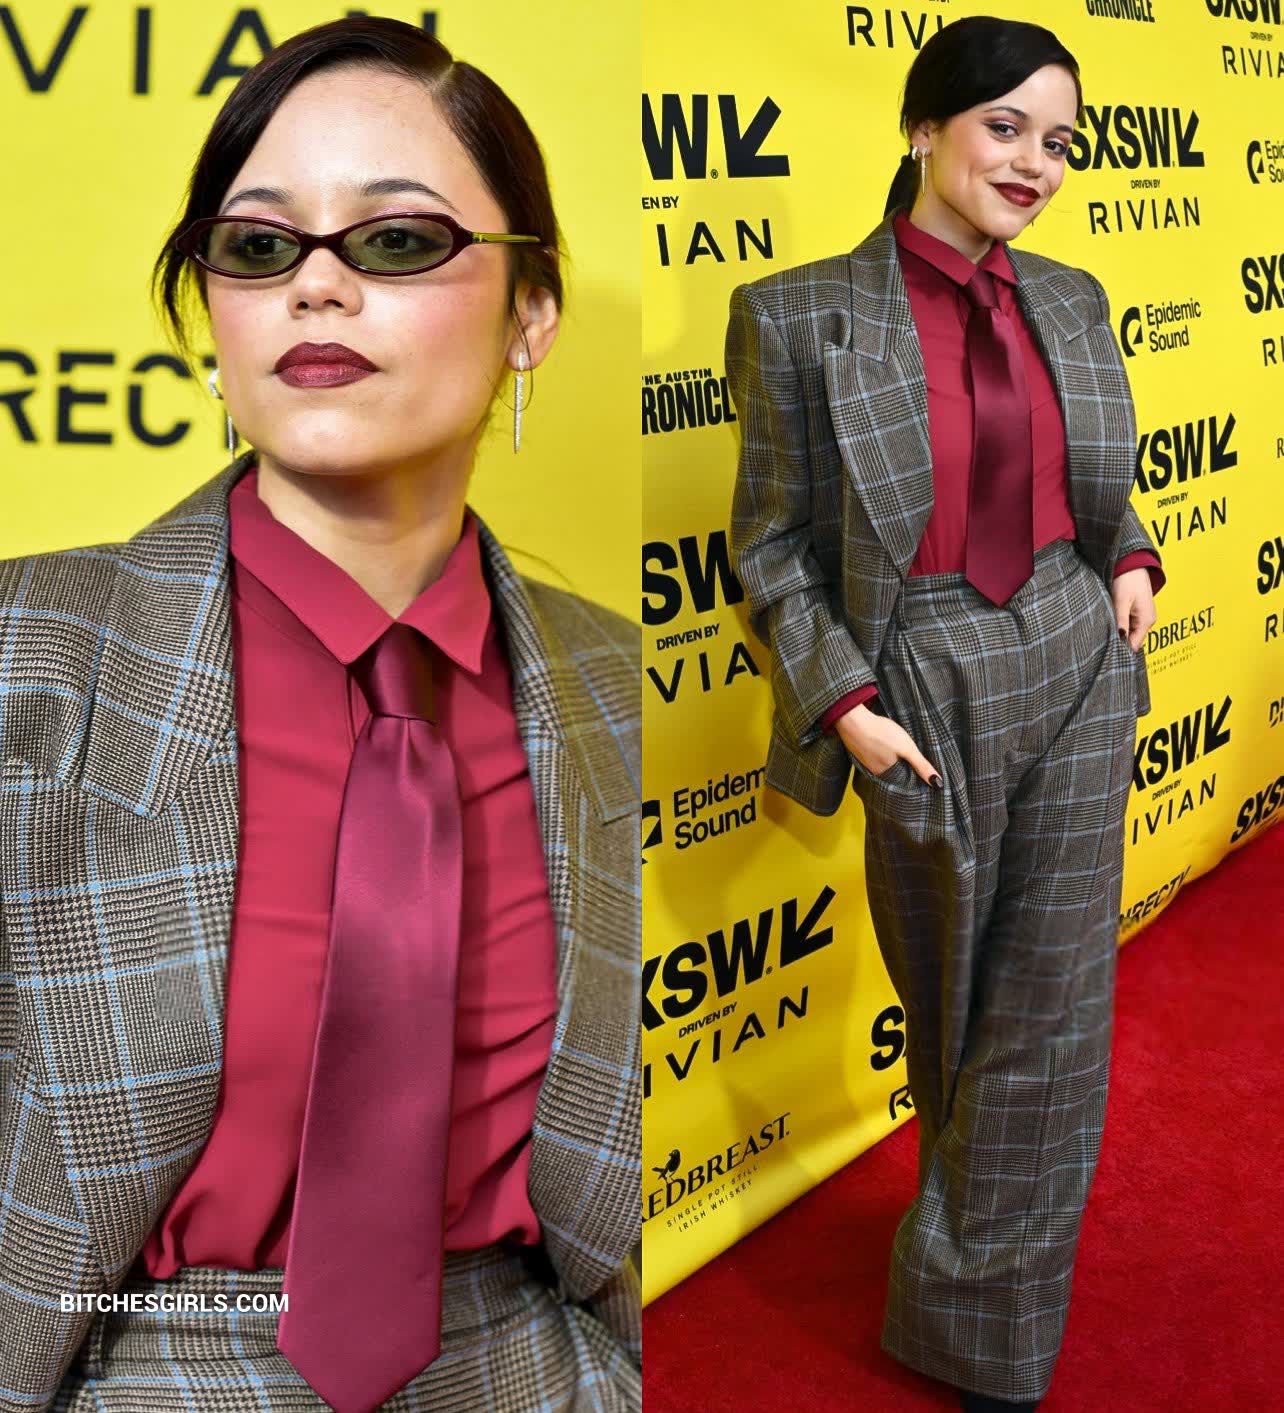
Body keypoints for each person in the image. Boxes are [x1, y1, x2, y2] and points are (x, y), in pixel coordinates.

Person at [0, 17, 640, 1413]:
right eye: (259, 245)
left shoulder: (612, 683)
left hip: (531, 1364)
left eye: (397, 240)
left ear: (531, 313)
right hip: (140, 1365)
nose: (317, 286)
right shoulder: (24, 655)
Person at [725, 17, 1161, 1413]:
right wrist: (844, 701)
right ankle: (968, 1273)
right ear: (924, 127)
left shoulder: (1075, 298)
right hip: (916, 673)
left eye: (1059, 142)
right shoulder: (797, 313)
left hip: (1074, 653)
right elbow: (770, 545)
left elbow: (1098, 481)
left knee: (1053, 1014)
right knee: (958, 1016)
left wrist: (1131, 559)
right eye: (1004, 128)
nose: (1034, 164)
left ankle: (988, 1343)